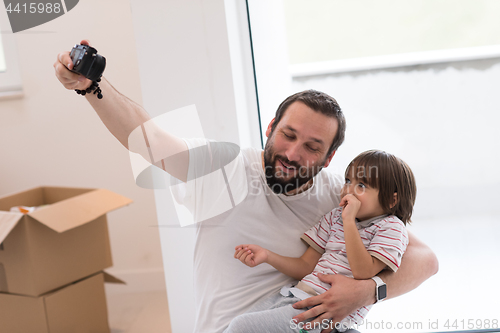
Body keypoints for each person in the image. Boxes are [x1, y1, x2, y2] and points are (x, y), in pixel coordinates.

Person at [53, 40, 439, 333]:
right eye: (288, 135)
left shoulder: (340, 196)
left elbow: (425, 260)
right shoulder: (225, 166)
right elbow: (149, 139)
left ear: (328, 159)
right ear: (271, 129)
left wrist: (371, 291)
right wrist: (92, 86)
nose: (292, 153)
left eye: (312, 147)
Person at [227, 150, 416, 332]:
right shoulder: (335, 217)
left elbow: (363, 272)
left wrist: (349, 221)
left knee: (241, 328)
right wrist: (268, 256)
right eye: (348, 181)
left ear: (392, 200)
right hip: (296, 295)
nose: (348, 190)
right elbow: (306, 265)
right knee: (237, 322)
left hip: (324, 312)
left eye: (362, 186)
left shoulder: (391, 227)